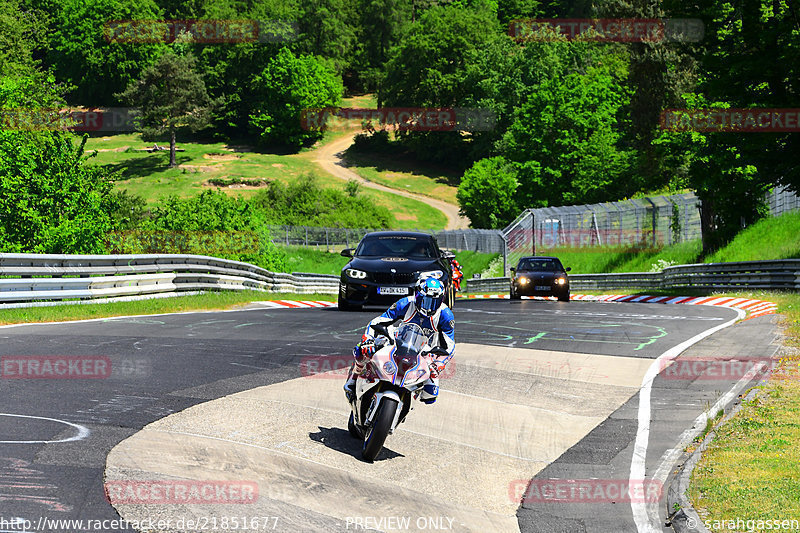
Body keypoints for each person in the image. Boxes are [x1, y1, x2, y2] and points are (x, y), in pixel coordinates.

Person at [343, 275, 455, 404]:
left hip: (425, 351)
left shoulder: (445, 315)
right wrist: (368, 339)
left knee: (430, 396)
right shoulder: (405, 303)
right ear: (417, 295)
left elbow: (449, 345)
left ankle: (407, 398)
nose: (428, 307)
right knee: (363, 350)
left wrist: (440, 363)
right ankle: (352, 380)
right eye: (425, 300)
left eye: (434, 302)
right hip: (398, 340)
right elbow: (379, 321)